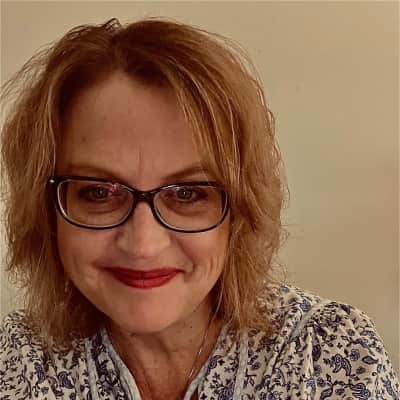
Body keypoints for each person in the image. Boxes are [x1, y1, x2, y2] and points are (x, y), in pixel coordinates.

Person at [0, 17, 398, 400]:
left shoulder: (328, 353)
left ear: (240, 210)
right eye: (99, 193)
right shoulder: (18, 360)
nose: (143, 245)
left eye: (188, 194)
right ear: (46, 211)